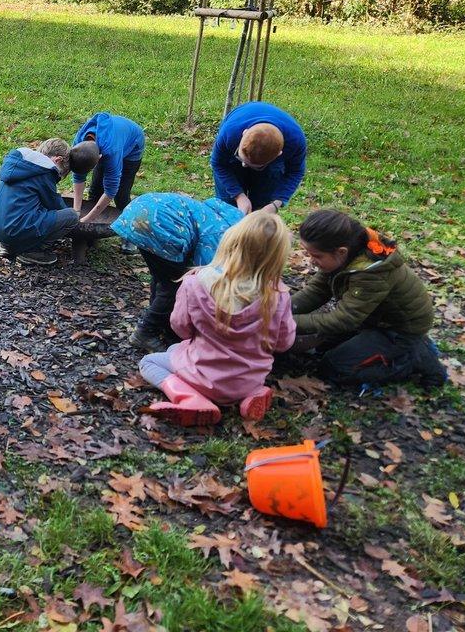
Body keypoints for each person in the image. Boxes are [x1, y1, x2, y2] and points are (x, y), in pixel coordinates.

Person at [139, 212, 296, 426]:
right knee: (175, 352)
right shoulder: (279, 295)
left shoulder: (195, 283)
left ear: (231, 242)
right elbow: (283, 343)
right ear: (278, 256)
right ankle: (252, 395)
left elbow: (181, 328)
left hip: (203, 377)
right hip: (249, 380)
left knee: (150, 362)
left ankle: (190, 398)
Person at [290, 209, 448, 388]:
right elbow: (317, 290)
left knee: (334, 368)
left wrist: (287, 322)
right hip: (371, 319)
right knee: (320, 344)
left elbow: (344, 319)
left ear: (341, 252)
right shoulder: (346, 254)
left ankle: (412, 358)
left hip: (398, 330)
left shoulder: (371, 274)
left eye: (316, 256)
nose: (311, 261)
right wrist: (283, 309)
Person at [111, 193, 245, 349]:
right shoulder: (221, 234)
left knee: (163, 276)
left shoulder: (221, 217)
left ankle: (161, 321)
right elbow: (203, 273)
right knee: (175, 284)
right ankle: (146, 331)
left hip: (140, 209)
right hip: (161, 223)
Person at [0, 138, 80, 267]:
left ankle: (8, 245)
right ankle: (31, 251)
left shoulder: (17, 163)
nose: (57, 177)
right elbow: (54, 205)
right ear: (57, 160)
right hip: (15, 228)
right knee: (71, 216)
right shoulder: (45, 171)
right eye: (60, 173)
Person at [210, 101, 306, 215]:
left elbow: (295, 172)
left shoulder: (295, 142)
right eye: (241, 158)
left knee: (262, 210)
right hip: (230, 158)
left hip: (271, 166)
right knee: (228, 210)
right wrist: (238, 196)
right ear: (244, 133)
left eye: (255, 166)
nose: (244, 165)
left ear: (279, 154)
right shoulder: (230, 132)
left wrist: (275, 204)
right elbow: (218, 164)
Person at [70, 113, 145, 244]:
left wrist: (85, 220)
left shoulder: (112, 152)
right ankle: (91, 232)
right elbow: (78, 175)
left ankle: (131, 235)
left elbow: (111, 191)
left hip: (133, 145)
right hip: (108, 141)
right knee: (95, 191)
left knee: (121, 195)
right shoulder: (78, 143)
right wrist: (77, 211)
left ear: (99, 158)